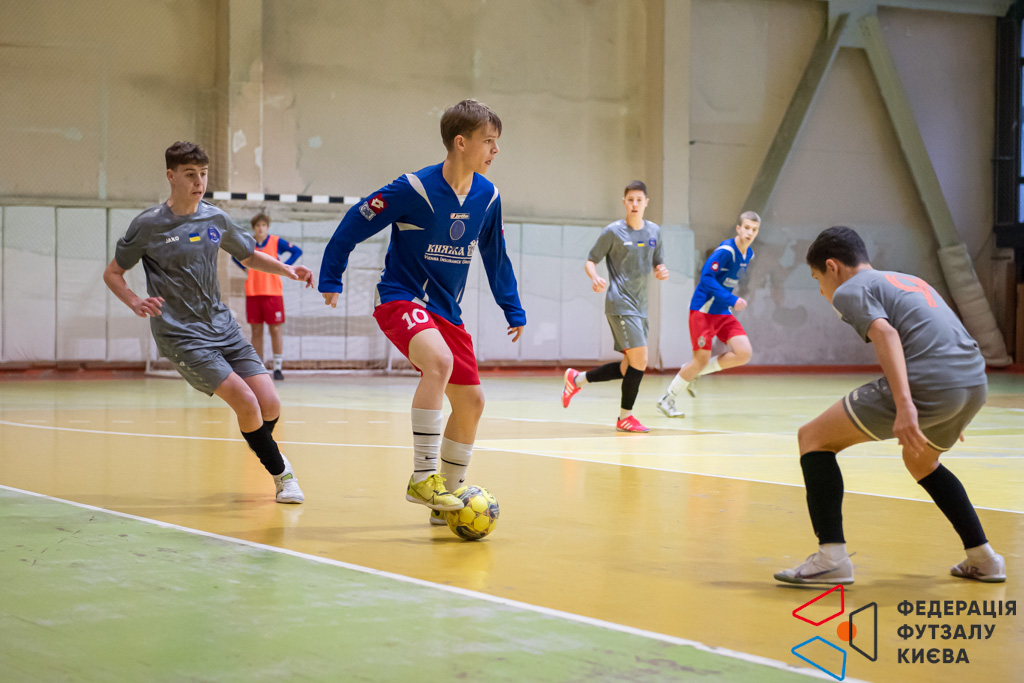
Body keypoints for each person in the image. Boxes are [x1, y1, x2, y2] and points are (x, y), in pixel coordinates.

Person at [319, 99, 526, 523]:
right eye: (489, 141)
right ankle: (422, 478)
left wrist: (512, 307)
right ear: (461, 142)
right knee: (439, 362)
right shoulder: (414, 188)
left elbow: (495, 255)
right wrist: (331, 276)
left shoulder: (488, 196)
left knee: (471, 402)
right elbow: (356, 220)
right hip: (401, 297)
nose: (496, 150)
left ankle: (444, 500)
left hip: (447, 311)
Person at [774, 225, 1003, 584]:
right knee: (921, 460)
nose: (821, 290)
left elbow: (885, 333)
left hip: (932, 382)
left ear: (832, 266)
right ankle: (983, 558)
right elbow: (948, 332)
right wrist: (953, 405)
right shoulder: (907, 279)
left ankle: (831, 559)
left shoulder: (850, 289)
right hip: (973, 380)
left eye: (817, 279)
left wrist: (907, 404)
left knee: (813, 438)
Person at [103, 141, 313, 504]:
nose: (199, 182)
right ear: (171, 176)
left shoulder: (215, 218)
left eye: (202, 174)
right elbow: (113, 272)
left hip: (222, 327)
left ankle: (261, 444)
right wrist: (135, 301)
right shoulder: (149, 225)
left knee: (269, 403)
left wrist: (288, 270)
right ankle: (283, 476)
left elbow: (249, 255)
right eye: (190, 174)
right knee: (246, 402)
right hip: (181, 335)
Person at [561, 181, 668, 432]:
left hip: (641, 307)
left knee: (627, 366)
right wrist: (594, 277)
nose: (634, 204)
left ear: (646, 202)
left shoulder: (654, 231)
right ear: (624, 202)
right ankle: (625, 417)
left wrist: (661, 270)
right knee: (641, 360)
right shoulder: (613, 232)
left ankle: (576, 379)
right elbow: (590, 261)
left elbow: (658, 262)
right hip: (620, 304)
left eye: (639, 200)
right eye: (630, 200)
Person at [656, 211, 759, 418]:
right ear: (738, 229)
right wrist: (732, 299)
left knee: (744, 353)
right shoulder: (726, 251)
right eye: (747, 228)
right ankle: (667, 399)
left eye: (754, 230)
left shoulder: (749, 254)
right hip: (703, 310)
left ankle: (693, 371)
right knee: (700, 361)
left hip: (722, 311)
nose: (749, 233)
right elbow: (706, 278)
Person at [233, 213, 303, 380]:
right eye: (258, 225)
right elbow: (234, 255)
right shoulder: (248, 243)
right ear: (253, 228)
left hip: (273, 293)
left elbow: (297, 251)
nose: (261, 228)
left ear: (267, 227)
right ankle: (258, 367)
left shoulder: (276, 242)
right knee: (256, 330)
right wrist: (244, 267)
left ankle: (278, 367)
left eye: (263, 225)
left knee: (276, 329)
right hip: (253, 292)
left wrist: (284, 267)